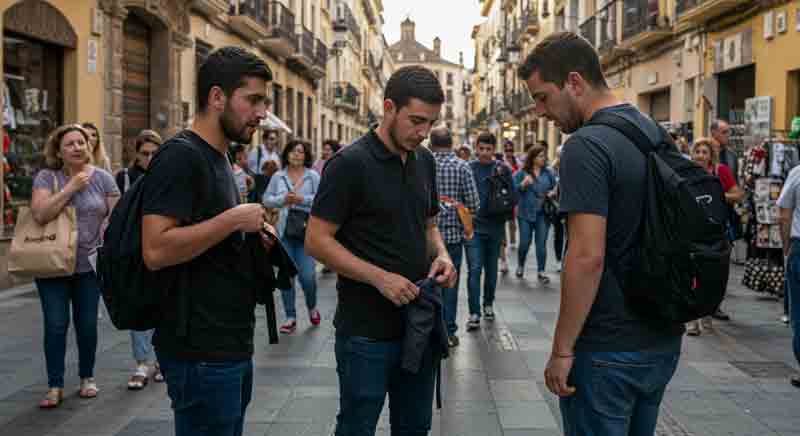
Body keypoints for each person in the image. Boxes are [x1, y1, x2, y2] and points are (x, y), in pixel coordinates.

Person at [519, 32, 685, 435]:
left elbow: (585, 257)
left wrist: (562, 350)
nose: (540, 111)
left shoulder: (585, 146)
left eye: (542, 97)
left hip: (607, 348)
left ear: (574, 82)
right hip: (661, 340)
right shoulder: (653, 132)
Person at [305, 65, 456, 436]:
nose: (423, 133)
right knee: (357, 427)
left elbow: (429, 225)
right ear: (389, 108)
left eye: (430, 123)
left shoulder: (425, 161)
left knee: (415, 427)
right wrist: (380, 278)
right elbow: (316, 240)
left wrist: (442, 255)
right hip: (365, 331)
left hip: (418, 325)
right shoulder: (349, 164)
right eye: (416, 121)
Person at [140, 46, 276, 436]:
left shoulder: (220, 157)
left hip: (228, 342)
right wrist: (233, 220)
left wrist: (250, 239)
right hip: (200, 349)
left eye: (264, 103)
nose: (262, 113)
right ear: (217, 97)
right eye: (253, 100)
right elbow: (156, 249)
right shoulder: (180, 157)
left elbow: (209, 238)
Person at [31, 124, 120, 408]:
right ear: (58, 151)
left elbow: (117, 217)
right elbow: (40, 214)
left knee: (87, 325)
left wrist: (108, 236)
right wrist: (70, 187)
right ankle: (54, 384)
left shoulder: (103, 178)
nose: (77, 147)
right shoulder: (47, 177)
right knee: (56, 325)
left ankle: (87, 377)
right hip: (52, 265)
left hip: (88, 267)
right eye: (69, 144)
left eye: (81, 142)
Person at [115, 129, 165, 390]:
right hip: (132, 251)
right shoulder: (124, 177)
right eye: (145, 153)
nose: (150, 158)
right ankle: (141, 363)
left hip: (162, 249)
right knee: (138, 304)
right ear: (136, 154)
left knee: (162, 304)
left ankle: (161, 360)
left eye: (155, 153)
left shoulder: (168, 177)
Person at [684, 138, 744, 336]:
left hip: (715, 232)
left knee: (711, 276)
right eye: (697, 151)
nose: (701, 155)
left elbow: (737, 194)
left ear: (711, 156)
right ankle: (691, 320)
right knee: (690, 275)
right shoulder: (685, 172)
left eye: (705, 152)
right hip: (691, 231)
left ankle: (706, 314)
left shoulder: (721, 171)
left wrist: (716, 195)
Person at [263, 140, 321, 334]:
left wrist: (302, 199)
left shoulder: (313, 176)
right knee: (286, 277)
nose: (296, 154)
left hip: (306, 234)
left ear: (306, 156)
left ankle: (312, 307)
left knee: (308, 277)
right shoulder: (278, 176)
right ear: (286, 154)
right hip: (283, 233)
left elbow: (322, 200)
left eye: (301, 152)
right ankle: (290, 317)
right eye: (293, 151)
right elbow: (266, 200)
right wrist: (283, 200)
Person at [430, 126, 480, 347]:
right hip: (452, 237)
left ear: (431, 143)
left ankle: (428, 330)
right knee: (449, 284)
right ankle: (448, 332)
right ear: (451, 143)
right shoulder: (462, 166)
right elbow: (474, 204)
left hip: (426, 237)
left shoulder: (422, 164)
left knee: (428, 282)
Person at [465, 132, 515, 331]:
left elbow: (513, 196)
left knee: (492, 270)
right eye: (481, 149)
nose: (485, 153)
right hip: (474, 228)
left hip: (495, 226)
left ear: (494, 149)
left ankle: (488, 304)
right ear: (476, 148)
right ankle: (474, 312)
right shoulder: (468, 168)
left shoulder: (503, 169)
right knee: (475, 269)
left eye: (488, 149)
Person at [710, 119, 740, 321]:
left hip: (725, 216)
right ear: (713, 133)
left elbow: (735, 188)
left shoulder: (731, 157)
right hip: (703, 216)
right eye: (724, 132)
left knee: (722, 262)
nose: (728, 135)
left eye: (728, 132)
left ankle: (716, 304)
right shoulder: (702, 151)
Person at [513, 145, 557, 282]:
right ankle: (520, 265)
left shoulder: (548, 173)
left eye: (544, 156)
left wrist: (552, 192)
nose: (544, 158)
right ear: (533, 158)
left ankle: (541, 271)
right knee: (524, 243)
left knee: (541, 244)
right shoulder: (521, 173)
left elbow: (555, 186)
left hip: (542, 213)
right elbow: (513, 191)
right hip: (525, 213)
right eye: (540, 156)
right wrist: (522, 185)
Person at [778, 163, 800, 389]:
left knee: (799, 312)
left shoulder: (797, 173)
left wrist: (786, 247)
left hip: (799, 247)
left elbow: (784, 214)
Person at [550, 144, 566, 271]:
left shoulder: (572, 169)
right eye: (560, 155)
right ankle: (558, 259)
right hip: (556, 206)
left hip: (568, 206)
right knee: (559, 234)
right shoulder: (553, 170)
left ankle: (566, 258)